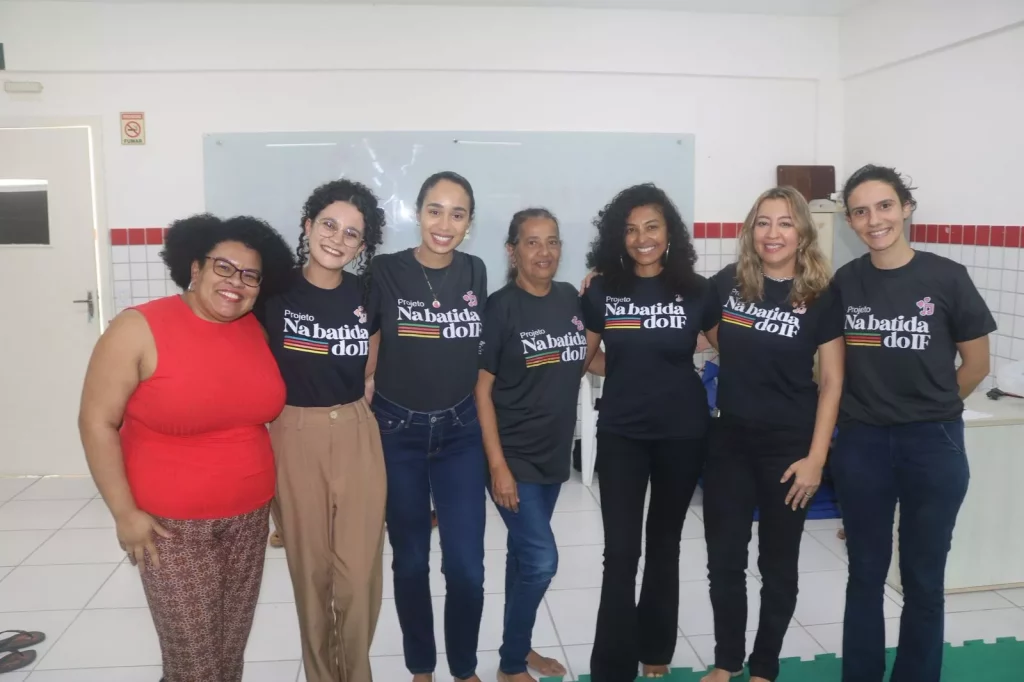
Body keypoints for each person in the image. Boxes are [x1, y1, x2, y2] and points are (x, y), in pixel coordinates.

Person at [78, 214, 294, 682]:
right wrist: (124, 513)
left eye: (250, 275)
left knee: (228, 652)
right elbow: (97, 422)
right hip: (169, 528)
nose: (236, 282)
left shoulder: (254, 330)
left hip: (248, 519)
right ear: (195, 268)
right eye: (223, 267)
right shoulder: (138, 328)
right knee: (194, 663)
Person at [831, 165, 995, 682]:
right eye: (861, 211)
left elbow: (976, 365)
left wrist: (930, 409)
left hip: (933, 444)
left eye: (884, 206)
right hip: (862, 444)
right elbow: (831, 366)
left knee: (924, 578)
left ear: (906, 208)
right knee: (864, 573)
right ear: (850, 221)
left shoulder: (947, 277)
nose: (874, 220)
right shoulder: (846, 281)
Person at [700, 187, 844, 682]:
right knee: (724, 561)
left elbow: (832, 382)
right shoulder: (730, 283)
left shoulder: (821, 295)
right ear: (751, 230)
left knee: (778, 565)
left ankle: (764, 668)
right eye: (763, 222)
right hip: (729, 442)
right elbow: (687, 308)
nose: (773, 233)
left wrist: (816, 458)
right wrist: (607, 278)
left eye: (785, 223)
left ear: (802, 231)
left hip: (789, 447)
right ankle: (726, 662)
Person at [580, 184, 719, 682]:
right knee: (620, 552)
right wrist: (620, 370)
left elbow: (734, 349)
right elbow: (583, 356)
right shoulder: (602, 290)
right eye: (631, 229)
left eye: (652, 227)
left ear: (669, 232)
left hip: (683, 432)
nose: (643, 238)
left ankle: (656, 646)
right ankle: (611, 666)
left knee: (665, 542)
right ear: (618, 237)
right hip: (622, 432)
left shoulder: (697, 290)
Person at [257, 179, 386, 682]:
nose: (337, 238)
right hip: (293, 435)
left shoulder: (367, 294)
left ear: (363, 245)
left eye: (352, 233)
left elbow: (369, 368)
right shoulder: (273, 292)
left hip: (356, 434)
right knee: (310, 575)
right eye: (329, 225)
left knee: (358, 576)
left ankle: (356, 673)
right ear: (308, 225)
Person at [367, 171, 488, 682]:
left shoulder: (476, 271)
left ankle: (463, 668)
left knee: (466, 567)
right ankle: (421, 667)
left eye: (457, 214)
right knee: (411, 561)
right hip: (398, 431)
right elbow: (368, 336)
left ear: (469, 223)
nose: (445, 224)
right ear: (418, 213)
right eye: (435, 210)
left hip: (461, 431)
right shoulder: (385, 270)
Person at [475, 209, 594, 682]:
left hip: (553, 454)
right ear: (512, 251)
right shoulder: (500, 308)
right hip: (513, 456)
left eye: (552, 241)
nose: (544, 252)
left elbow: (582, 358)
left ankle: (518, 647)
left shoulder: (569, 299)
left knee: (523, 556)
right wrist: (498, 466)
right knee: (542, 560)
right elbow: (481, 389)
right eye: (532, 242)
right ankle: (509, 665)